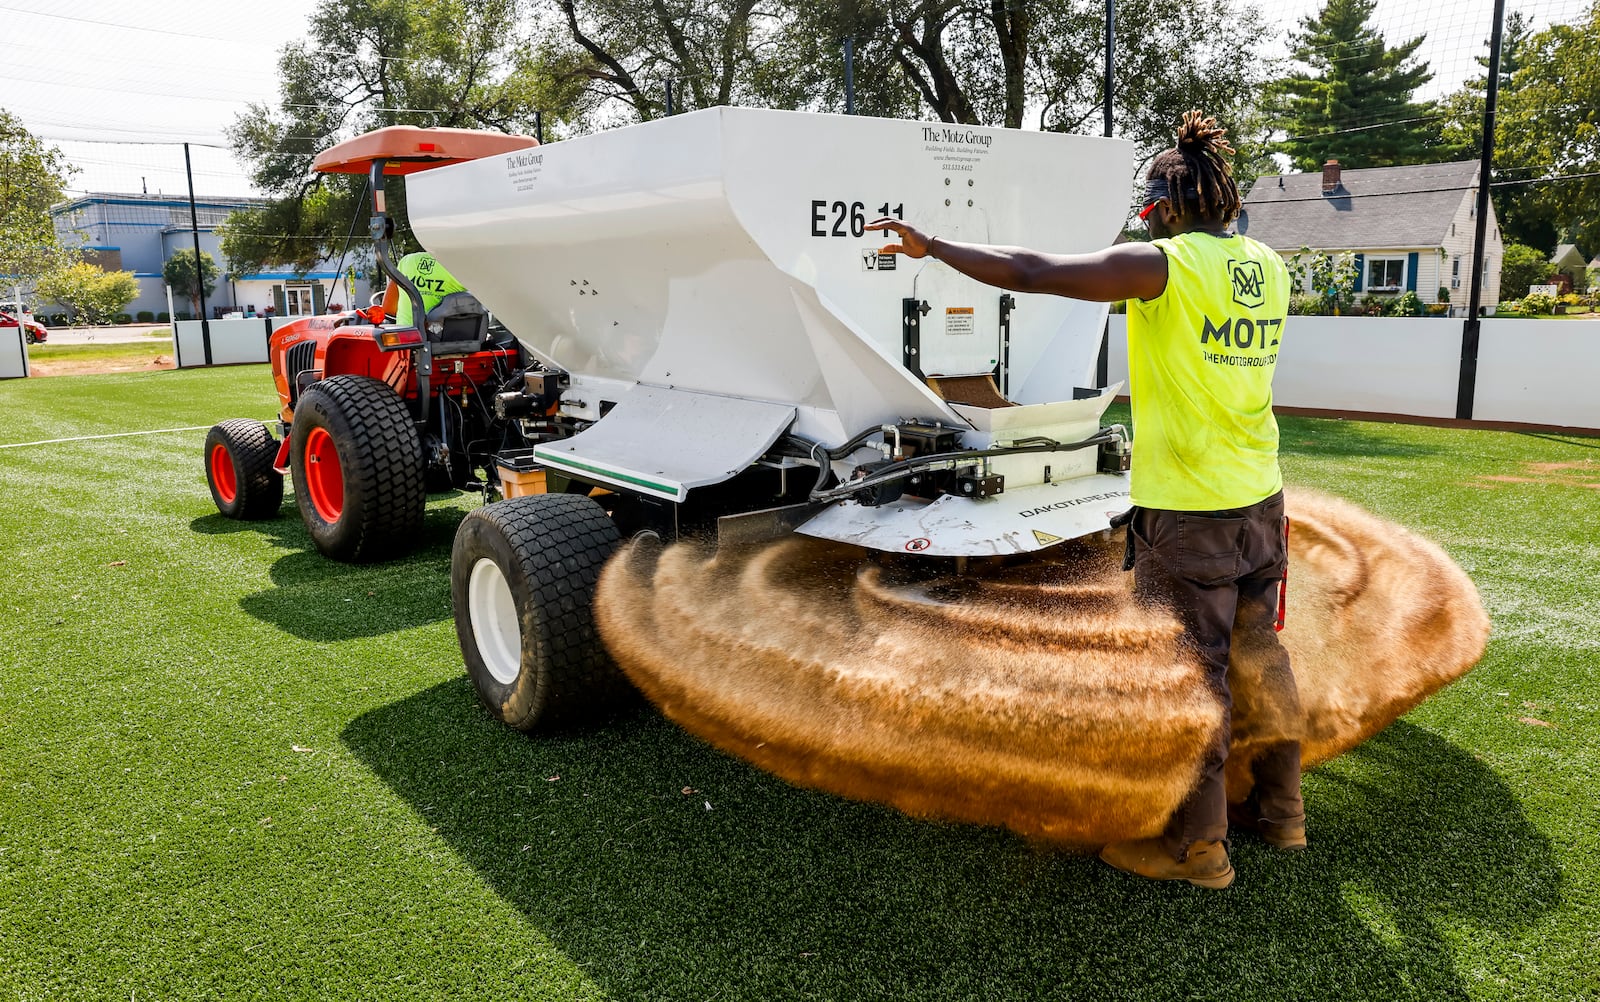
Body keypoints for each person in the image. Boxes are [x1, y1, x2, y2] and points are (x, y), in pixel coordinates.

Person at [866, 110, 1297, 890]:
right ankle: (1283, 814)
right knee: (1261, 654)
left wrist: (934, 248)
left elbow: (1033, 272)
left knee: (1192, 675)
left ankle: (1197, 849)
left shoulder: (1166, 265)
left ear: (1163, 209)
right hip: (1261, 498)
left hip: (1190, 507)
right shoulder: (1269, 265)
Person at [392, 250, 467, 326]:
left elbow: (388, 308)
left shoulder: (406, 261)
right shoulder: (463, 267)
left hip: (408, 334)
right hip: (453, 334)